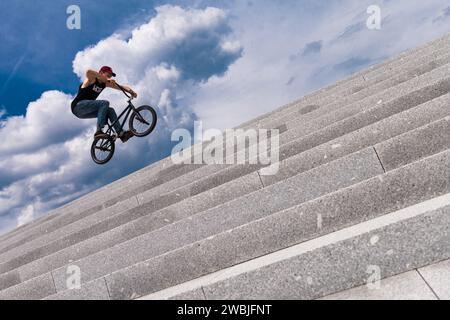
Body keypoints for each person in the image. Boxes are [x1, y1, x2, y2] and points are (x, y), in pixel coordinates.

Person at [71, 66, 138, 142]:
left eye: (110, 76)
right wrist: (107, 79)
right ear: (101, 73)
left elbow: (121, 87)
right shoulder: (92, 79)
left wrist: (131, 92)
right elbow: (88, 71)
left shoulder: (105, 84)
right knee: (104, 103)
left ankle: (121, 134)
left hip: (83, 113)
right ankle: (98, 131)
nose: (109, 77)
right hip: (78, 106)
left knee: (110, 110)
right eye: (108, 75)